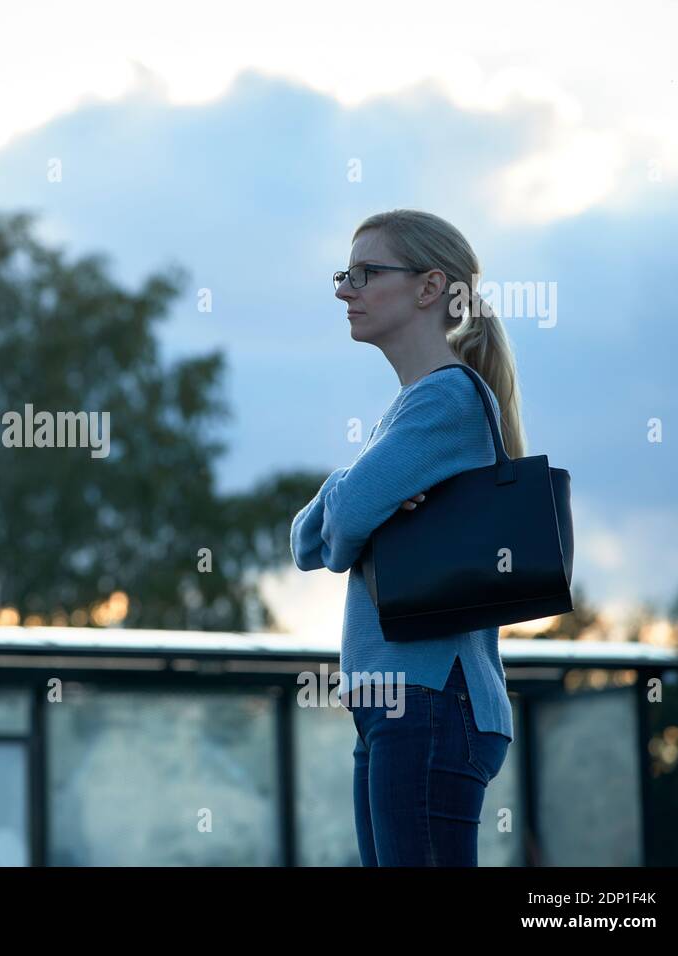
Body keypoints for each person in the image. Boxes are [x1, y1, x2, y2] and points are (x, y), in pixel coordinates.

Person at [290, 209, 524, 866]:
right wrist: (358, 491)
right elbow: (307, 544)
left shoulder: (444, 400)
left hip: (428, 699)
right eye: (345, 273)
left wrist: (358, 502)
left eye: (365, 273)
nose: (345, 290)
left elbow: (338, 527)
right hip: (401, 702)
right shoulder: (408, 412)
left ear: (429, 287)